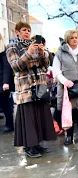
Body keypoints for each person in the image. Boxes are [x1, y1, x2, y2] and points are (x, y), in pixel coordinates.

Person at [6, 21, 56, 157]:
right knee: (28, 118)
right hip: (25, 87)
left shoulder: (35, 45)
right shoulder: (12, 47)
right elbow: (16, 66)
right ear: (17, 32)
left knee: (39, 116)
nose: (27, 32)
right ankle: (29, 147)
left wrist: (42, 53)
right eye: (24, 30)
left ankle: (37, 144)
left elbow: (45, 66)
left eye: (28, 30)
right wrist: (28, 53)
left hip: (39, 85)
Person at [52, 30, 78, 145]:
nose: (75, 40)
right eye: (72, 38)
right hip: (67, 88)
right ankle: (69, 136)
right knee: (68, 113)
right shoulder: (60, 53)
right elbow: (56, 71)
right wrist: (65, 81)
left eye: (76, 37)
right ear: (67, 39)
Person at [0, 33, 14, 133]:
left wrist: (5, 82)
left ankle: (9, 124)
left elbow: (6, 68)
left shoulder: (4, 52)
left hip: (2, 82)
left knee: (5, 104)